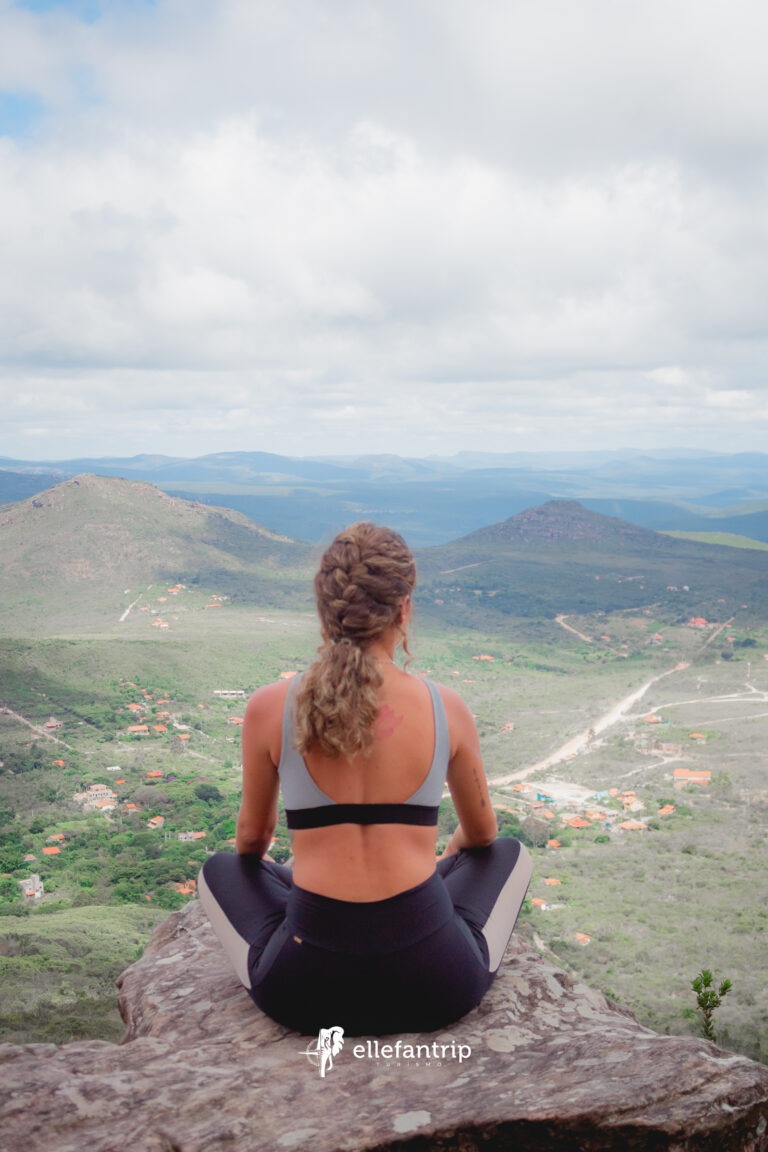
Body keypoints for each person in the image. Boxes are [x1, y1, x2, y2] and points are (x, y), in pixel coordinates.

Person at [198, 521, 532, 1036]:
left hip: (306, 991)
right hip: (437, 984)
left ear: (326, 609)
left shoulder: (270, 706)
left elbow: (251, 844)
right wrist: (443, 865)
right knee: (510, 854)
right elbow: (483, 836)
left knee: (219, 870)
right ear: (403, 609)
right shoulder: (446, 708)